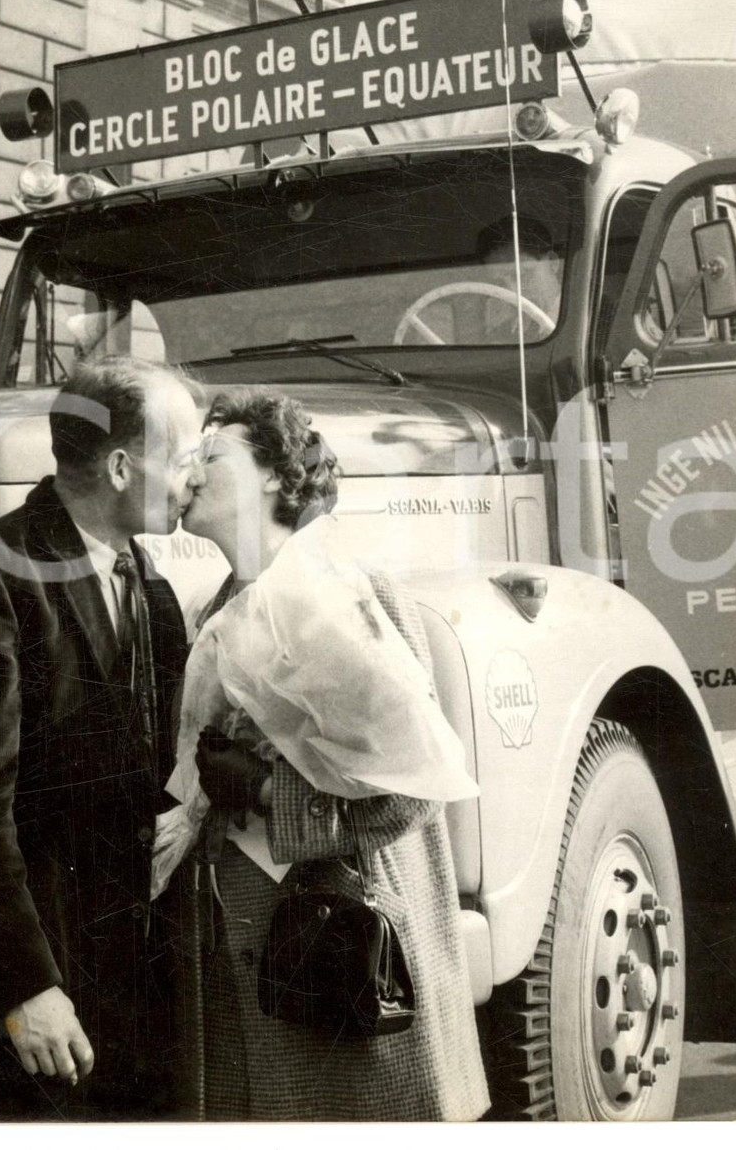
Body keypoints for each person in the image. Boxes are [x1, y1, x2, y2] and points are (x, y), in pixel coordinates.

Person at [172, 390, 490, 1121]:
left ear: (279, 479)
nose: (191, 471)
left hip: (346, 970)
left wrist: (258, 793)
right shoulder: (218, 606)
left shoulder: (348, 592)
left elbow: (412, 793)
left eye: (213, 454)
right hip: (261, 975)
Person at [0, 354, 203, 1119]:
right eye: (184, 458)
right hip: (25, 1013)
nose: (193, 481)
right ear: (119, 466)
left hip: (124, 996)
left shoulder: (149, 583)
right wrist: (27, 988)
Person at [476, 215, 562, 338]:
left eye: (522, 275)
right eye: (500, 284)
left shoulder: (589, 321)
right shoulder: (503, 333)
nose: (513, 291)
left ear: (552, 263)